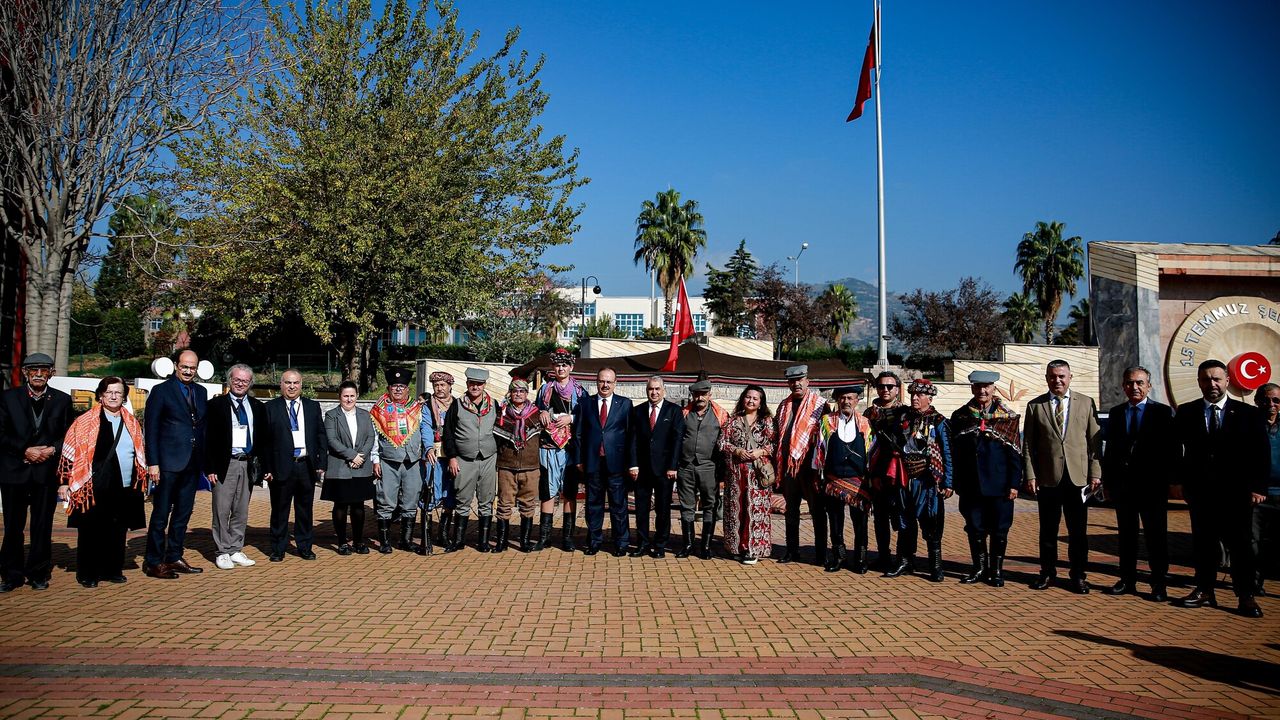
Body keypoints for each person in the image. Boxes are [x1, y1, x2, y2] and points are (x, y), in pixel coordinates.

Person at [1173, 359, 1270, 618]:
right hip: (1201, 492)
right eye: (1206, 379)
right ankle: (1204, 589)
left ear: (1227, 380)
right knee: (1203, 544)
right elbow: (1175, 450)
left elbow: (1261, 452)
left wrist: (1258, 487)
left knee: (1241, 545)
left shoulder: (1248, 414)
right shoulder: (1187, 412)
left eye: (1216, 378)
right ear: (1199, 382)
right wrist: (1178, 482)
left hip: (1237, 493)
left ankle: (1246, 595)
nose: (1212, 384)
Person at [56, 377, 147, 587]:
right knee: (91, 530)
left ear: (124, 397)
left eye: (118, 392)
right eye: (109, 392)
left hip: (125, 484)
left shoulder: (131, 422)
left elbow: (139, 451)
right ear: (101, 395)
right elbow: (70, 453)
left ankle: (112, 569)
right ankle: (88, 573)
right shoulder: (85, 421)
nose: (114, 396)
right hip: (94, 485)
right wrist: (64, 482)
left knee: (118, 529)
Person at [1023, 359, 1102, 594]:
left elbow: (1094, 443)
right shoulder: (1035, 406)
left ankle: (1078, 576)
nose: (1057, 380)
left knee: (1078, 533)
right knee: (1048, 531)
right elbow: (1028, 445)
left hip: (1078, 479)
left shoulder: (1086, 403)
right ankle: (1047, 573)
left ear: (1070, 377)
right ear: (1047, 378)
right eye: (1052, 376)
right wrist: (1030, 475)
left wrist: (1095, 473)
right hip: (1048, 479)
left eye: (1061, 376)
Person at [1101, 366, 1176, 601]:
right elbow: (1111, 451)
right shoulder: (1116, 413)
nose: (1134, 387)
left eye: (1140, 383)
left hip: (1153, 487)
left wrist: (1171, 481)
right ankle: (1127, 579)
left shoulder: (1162, 412)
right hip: (1124, 488)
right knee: (1126, 536)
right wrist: (1108, 483)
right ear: (1123, 386)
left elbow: (1171, 451)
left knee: (1156, 537)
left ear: (1149, 386)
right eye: (1130, 383)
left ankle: (1158, 583)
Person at [0, 352, 73, 592]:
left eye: (44, 370)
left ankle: (38, 573)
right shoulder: (7, 398)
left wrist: (52, 449)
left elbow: (68, 434)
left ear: (52, 373)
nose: (39, 374)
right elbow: (2, 434)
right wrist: (25, 450)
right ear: (25, 373)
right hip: (15, 472)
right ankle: (11, 574)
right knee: (13, 526)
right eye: (34, 370)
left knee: (42, 526)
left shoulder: (62, 400)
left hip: (46, 473)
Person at [873, 379, 953, 581]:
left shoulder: (939, 421)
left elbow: (947, 453)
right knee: (904, 519)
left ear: (930, 398)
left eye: (920, 395)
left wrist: (948, 482)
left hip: (927, 480)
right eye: (913, 395)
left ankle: (936, 565)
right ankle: (904, 561)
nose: (915, 398)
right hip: (904, 477)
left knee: (931, 520)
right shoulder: (902, 417)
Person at [949, 371, 1022, 587]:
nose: (982, 390)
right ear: (972, 388)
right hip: (971, 484)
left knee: (1000, 529)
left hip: (1000, 485)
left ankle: (996, 571)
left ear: (993, 388)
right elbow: (955, 452)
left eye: (987, 386)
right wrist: (956, 482)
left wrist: (1014, 484)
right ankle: (979, 568)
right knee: (975, 528)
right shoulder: (961, 416)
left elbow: (1015, 454)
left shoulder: (1007, 417)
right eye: (978, 386)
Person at [142, 349, 209, 579]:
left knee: (183, 514)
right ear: (175, 366)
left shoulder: (200, 391)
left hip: (192, 463)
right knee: (161, 514)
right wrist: (153, 463)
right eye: (184, 367)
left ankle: (174, 556)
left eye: (192, 367)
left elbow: (200, 426)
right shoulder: (161, 391)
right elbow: (151, 429)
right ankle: (153, 561)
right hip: (168, 463)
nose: (188, 371)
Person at [204, 364, 269, 570]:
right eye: (237, 379)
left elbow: (263, 440)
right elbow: (207, 439)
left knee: (241, 510)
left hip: (247, 463)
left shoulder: (258, 407)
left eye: (245, 381)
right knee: (222, 509)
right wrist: (210, 468)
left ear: (251, 383)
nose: (240, 383)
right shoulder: (215, 405)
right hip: (225, 464)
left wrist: (264, 467)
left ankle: (235, 548)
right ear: (229, 380)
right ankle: (222, 551)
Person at [261, 369, 327, 562]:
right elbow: (265, 442)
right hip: (281, 467)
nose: (292, 386)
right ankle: (278, 548)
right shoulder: (270, 408)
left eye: (295, 383)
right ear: (281, 384)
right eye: (288, 383)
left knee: (305, 510)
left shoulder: (312, 406)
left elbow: (321, 436)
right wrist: (267, 468)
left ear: (301, 385)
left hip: (306, 466)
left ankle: (305, 546)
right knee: (279, 510)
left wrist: (321, 463)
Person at [812, 385, 873, 573]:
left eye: (850, 398)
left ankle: (860, 558)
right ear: (838, 400)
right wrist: (818, 474)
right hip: (833, 478)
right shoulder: (826, 421)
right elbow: (819, 448)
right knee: (835, 519)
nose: (846, 401)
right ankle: (839, 556)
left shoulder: (865, 423)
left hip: (858, 480)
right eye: (843, 398)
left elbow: (871, 452)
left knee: (860, 521)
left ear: (857, 400)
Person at [575, 367, 634, 556]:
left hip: (616, 463)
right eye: (602, 381)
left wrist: (632, 462)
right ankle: (594, 541)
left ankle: (621, 543)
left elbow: (631, 436)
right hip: (593, 462)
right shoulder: (585, 403)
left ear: (615, 383)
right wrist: (579, 459)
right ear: (597, 382)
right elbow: (578, 434)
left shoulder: (625, 404)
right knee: (593, 505)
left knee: (618, 505)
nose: (605, 385)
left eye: (609, 381)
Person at [773, 364, 828, 565]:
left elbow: (826, 437)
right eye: (792, 381)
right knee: (791, 511)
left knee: (817, 511)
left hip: (810, 468)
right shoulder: (783, 406)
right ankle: (791, 550)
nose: (796, 384)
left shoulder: (820, 405)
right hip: (789, 468)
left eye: (800, 380)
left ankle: (821, 553)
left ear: (807, 381)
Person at [536, 349, 589, 551]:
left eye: (565, 365)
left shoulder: (579, 391)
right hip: (548, 446)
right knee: (547, 490)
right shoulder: (545, 389)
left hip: (570, 448)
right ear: (553, 367)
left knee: (569, 491)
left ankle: (568, 537)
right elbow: (536, 410)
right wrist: (541, 411)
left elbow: (586, 416)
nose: (561, 368)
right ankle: (545, 537)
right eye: (558, 365)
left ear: (571, 367)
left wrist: (571, 418)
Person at [442, 368, 499, 552]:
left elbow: (501, 431)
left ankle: (483, 541)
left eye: (479, 384)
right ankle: (458, 541)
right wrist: (452, 457)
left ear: (484, 385)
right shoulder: (457, 405)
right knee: (462, 499)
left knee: (486, 499)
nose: (475, 387)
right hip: (464, 458)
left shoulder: (494, 405)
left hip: (488, 457)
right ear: (467, 384)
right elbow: (448, 433)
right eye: (472, 383)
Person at [370, 367, 426, 553]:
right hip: (388, 461)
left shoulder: (418, 409)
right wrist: (375, 460)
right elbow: (374, 438)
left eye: (402, 386)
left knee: (411, 500)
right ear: (389, 388)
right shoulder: (379, 410)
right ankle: (385, 542)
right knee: (386, 501)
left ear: (408, 389)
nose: (398, 389)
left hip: (412, 462)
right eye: (394, 386)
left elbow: (425, 433)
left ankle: (405, 540)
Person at [627, 376, 684, 558]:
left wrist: (673, 466)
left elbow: (677, 440)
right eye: (651, 389)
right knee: (641, 509)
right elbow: (632, 439)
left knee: (663, 509)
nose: (654, 392)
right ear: (647, 390)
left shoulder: (674, 411)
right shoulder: (638, 411)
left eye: (657, 389)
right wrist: (633, 464)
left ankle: (660, 545)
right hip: (642, 469)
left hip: (664, 469)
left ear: (663, 390)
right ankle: (642, 543)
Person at [720, 385, 775, 564]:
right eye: (748, 397)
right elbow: (722, 443)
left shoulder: (766, 422)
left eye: (755, 398)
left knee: (755, 510)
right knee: (737, 510)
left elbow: (775, 444)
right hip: (736, 475)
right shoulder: (732, 421)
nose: (751, 401)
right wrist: (736, 450)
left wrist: (761, 451)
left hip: (758, 475)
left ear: (760, 403)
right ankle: (735, 547)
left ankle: (754, 549)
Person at [323, 381, 377, 555]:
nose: (349, 399)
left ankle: (359, 541)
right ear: (339, 397)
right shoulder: (332, 415)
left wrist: (361, 456)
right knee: (341, 504)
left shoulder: (365, 415)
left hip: (361, 465)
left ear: (357, 396)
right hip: (340, 466)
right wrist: (352, 456)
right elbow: (332, 440)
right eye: (345, 396)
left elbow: (370, 437)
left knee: (358, 505)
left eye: (352, 396)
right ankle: (342, 542)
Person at [677, 379, 727, 559]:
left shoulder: (720, 414)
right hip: (686, 466)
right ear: (692, 395)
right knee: (686, 505)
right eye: (697, 394)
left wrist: (722, 473)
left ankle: (706, 546)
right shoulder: (684, 413)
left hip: (709, 467)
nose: (700, 397)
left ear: (709, 395)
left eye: (703, 394)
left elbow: (725, 443)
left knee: (710, 505)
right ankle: (688, 544)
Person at [494, 378, 544, 552]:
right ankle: (501, 542)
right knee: (504, 504)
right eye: (515, 391)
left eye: (522, 391)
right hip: (506, 466)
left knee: (528, 505)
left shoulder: (537, 414)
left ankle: (525, 541)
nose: (518, 394)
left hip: (531, 466)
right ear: (510, 393)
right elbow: (495, 439)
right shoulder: (502, 413)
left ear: (526, 393)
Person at [864, 370, 904, 572]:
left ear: (897, 389)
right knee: (880, 518)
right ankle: (883, 556)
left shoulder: (905, 413)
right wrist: (873, 475)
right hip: (876, 474)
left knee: (903, 517)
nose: (885, 390)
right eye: (881, 386)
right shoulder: (868, 414)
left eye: (890, 386)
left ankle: (904, 558)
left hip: (900, 474)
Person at [421, 372, 458, 554]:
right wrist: (428, 448)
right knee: (431, 491)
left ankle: (443, 533)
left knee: (450, 493)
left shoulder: (458, 404)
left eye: (443, 385)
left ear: (450, 386)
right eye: (436, 385)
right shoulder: (428, 405)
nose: (439, 388)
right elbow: (426, 427)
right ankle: (426, 536)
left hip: (453, 455)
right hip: (435, 454)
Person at [1254, 383, 1280, 596]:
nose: (1271, 404)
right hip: (1257, 495)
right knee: (1254, 542)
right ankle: (1253, 582)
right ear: (1257, 401)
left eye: (1276, 400)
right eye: (1266, 400)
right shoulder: (1248, 424)